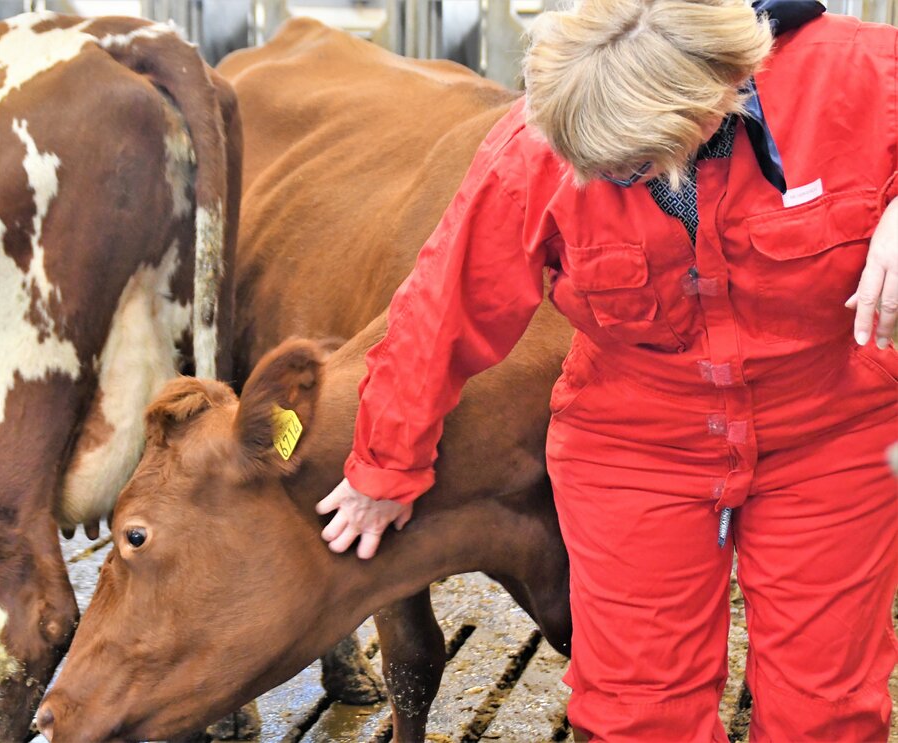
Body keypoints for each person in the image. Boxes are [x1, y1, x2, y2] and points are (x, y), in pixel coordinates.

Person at [316, 0, 898, 739]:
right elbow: (441, 308)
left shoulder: (863, 73)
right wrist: (382, 467)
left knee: (828, 709)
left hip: (831, 430)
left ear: (720, 97)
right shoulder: (537, 150)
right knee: (635, 712)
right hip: (637, 440)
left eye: (629, 165)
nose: (605, 178)